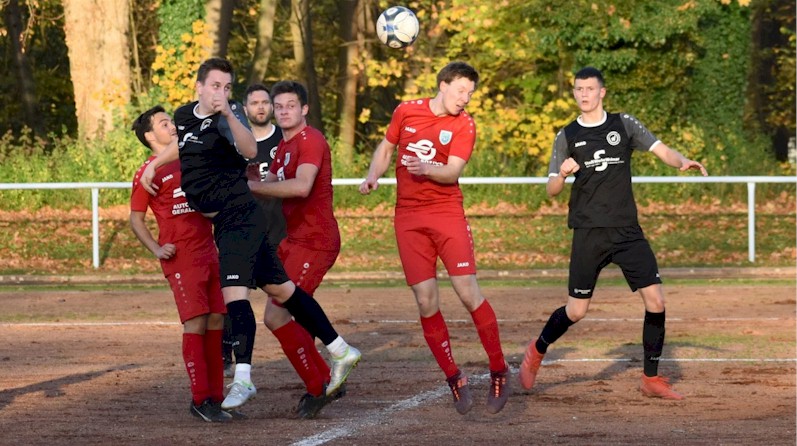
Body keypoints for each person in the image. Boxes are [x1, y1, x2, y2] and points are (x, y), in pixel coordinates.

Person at [139, 58, 361, 413]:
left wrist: (229, 113)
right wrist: (155, 163)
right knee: (283, 291)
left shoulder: (231, 118)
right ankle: (340, 349)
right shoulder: (184, 116)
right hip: (236, 220)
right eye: (215, 85)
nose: (221, 92)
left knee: (235, 297)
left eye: (227, 87)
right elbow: (182, 146)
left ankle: (242, 377)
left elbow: (250, 150)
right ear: (199, 87)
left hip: (237, 216)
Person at [518, 66, 708, 400]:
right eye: (578, 89)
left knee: (656, 301)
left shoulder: (624, 124)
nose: (584, 94)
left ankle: (651, 379)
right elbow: (551, 190)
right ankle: (537, 349)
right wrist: (562, 174)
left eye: (590, 89)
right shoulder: (566, 135)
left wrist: (681, 161)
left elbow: (662, 149)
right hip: (589, 231)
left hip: (626, 230)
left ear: (602, 92)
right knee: (576, 311)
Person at [359, 61, 510, 415]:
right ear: (443, 85)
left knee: (467, 292)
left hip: (446, 213)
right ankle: (454, 377)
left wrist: (427, 168)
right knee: (426, 301)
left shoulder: (464, 124)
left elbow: (453, 170)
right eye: (461, 90)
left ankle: (499, 369)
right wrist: (373, 175)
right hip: (408, 217)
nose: (465, 98)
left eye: (470, 93)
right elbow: (386, 148)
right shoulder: (406, 111)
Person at [247, 80, 353, 419]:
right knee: (276, 316)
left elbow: (302, 186)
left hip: (316, 240)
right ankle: (324, 379)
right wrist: (245, 180)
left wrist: (252, 186)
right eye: (278, 106)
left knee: (278, 315)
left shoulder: (311, 140)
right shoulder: (282, 147)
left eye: (290, 105)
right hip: (293, 240)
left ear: (304, 109)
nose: (283, 111)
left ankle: (320, 383)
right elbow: (268, 186)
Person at [129, 106, 231, 422]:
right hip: (182, 258)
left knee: (217, 321)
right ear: (149, 136)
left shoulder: (191, 158)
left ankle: (217, 399)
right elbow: (136, 219)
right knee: (196, 322)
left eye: (171, 121)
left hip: (209, 252)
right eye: (164, 123)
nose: (172, 126)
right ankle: (200, 399)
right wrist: (157, 249)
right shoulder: (148, 173)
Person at [222, 83, 287, 377]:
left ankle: (304, 348)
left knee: (289, 295)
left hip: (280, 231)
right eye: (254, 103)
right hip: (243, 229)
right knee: (234, 293)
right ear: (245, 108)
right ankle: (226, 352)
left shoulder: (284, 138)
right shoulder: (235, 140)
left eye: (265, 102)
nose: (260, 107)